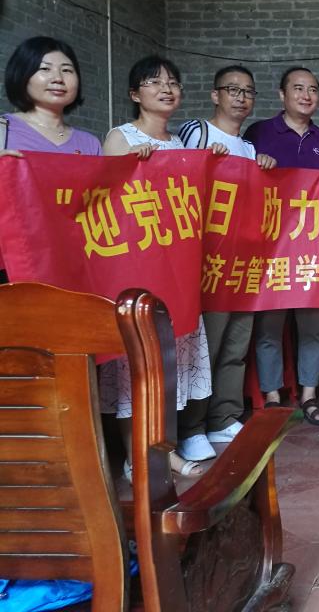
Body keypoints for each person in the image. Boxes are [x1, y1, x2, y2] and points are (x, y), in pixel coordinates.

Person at [99, 54, 212, 476]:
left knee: (170, 365)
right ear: (135, 94)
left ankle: (166, 451)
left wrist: (215, 163)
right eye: (154, 82)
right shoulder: (119, 138)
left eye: (173, 83)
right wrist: (129, 164)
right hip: (135, 271)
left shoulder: (183, 146)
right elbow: (106, 203)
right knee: (135, 366)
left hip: (175, 272)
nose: (166, 89)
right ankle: (136, 459)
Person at [177, 65, 276, 448]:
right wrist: (202, 161)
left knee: (236, 346)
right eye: (232, 89)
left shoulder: (248, 149)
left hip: (243, 264)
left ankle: (224, 416)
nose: (240, 97)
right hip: (208, 263)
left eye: (248, 91)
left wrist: (265, 168)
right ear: (215, 95)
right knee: (206, 347)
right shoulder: (197, 133)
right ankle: (192, 427)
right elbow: (176, 181)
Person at [244, 66, 319, 425]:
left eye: (312, 89)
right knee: (269, 326)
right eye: (298, 88)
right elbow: (240, 181)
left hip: (312, 249)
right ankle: (272, 397)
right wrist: (258, 166)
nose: (306, 95)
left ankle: (309, 395)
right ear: (282, 95)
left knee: (313, 327)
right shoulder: (259, 133)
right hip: (271, 249)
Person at [1, 36, 102, 285]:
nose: (58, 78)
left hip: (76, 267)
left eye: (67, 70)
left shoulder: (90, 143)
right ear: (22, 75)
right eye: (44, 69)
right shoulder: (3, 131)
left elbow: (103, 208)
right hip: (15, 269)